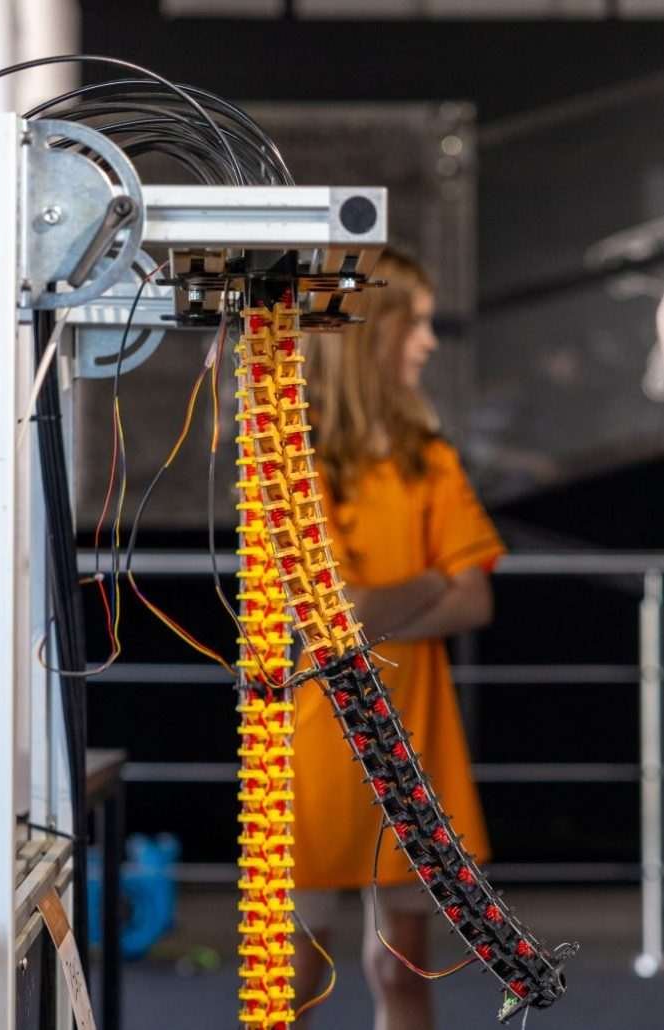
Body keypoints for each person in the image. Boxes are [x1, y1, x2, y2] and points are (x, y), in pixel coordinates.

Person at [291, 248, 505, 1030]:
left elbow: (474, 600)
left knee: (403, 972)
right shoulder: (290, 460)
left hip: (410, 751)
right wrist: (426, 585)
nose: (428, 341)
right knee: (289, 986)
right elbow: (326, 618)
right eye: (413, 323)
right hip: (306, 756)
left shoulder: (428, 461)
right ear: (369, 336)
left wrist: (376, 604)